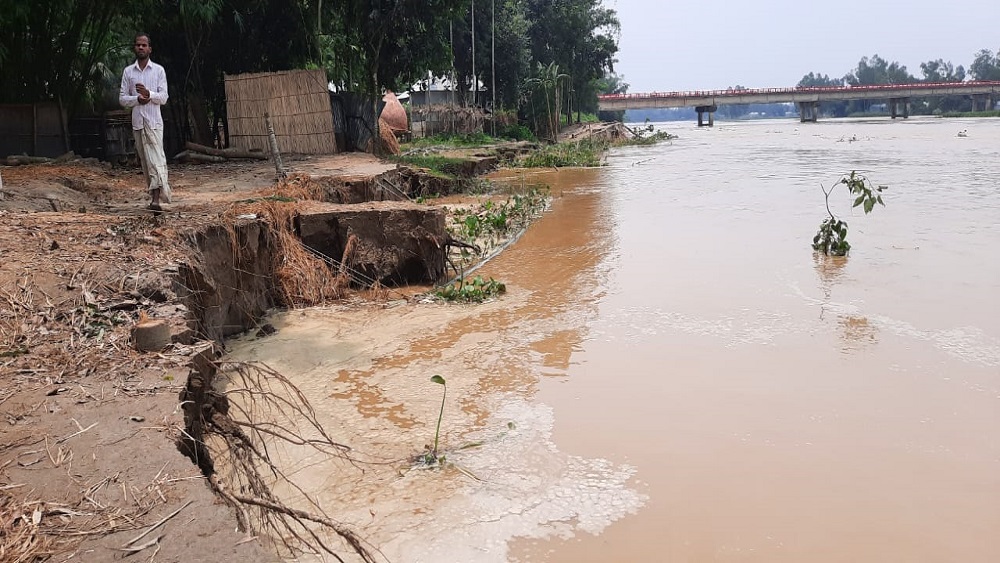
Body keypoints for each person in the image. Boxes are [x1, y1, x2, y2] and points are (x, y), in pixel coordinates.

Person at [119, 33, 171, 211]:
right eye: (138, 45)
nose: (140, 48)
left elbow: (163, 97)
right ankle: (153, 195)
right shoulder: (128, 72)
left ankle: (156, 199)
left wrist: (150, 95)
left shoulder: (158, 70)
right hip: (138, 124)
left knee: (156, 159)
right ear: (135, 48)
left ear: (150, 48)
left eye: (144, 45)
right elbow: (123, 99)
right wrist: (137, 100)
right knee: (145, 161)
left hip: (154, 123)